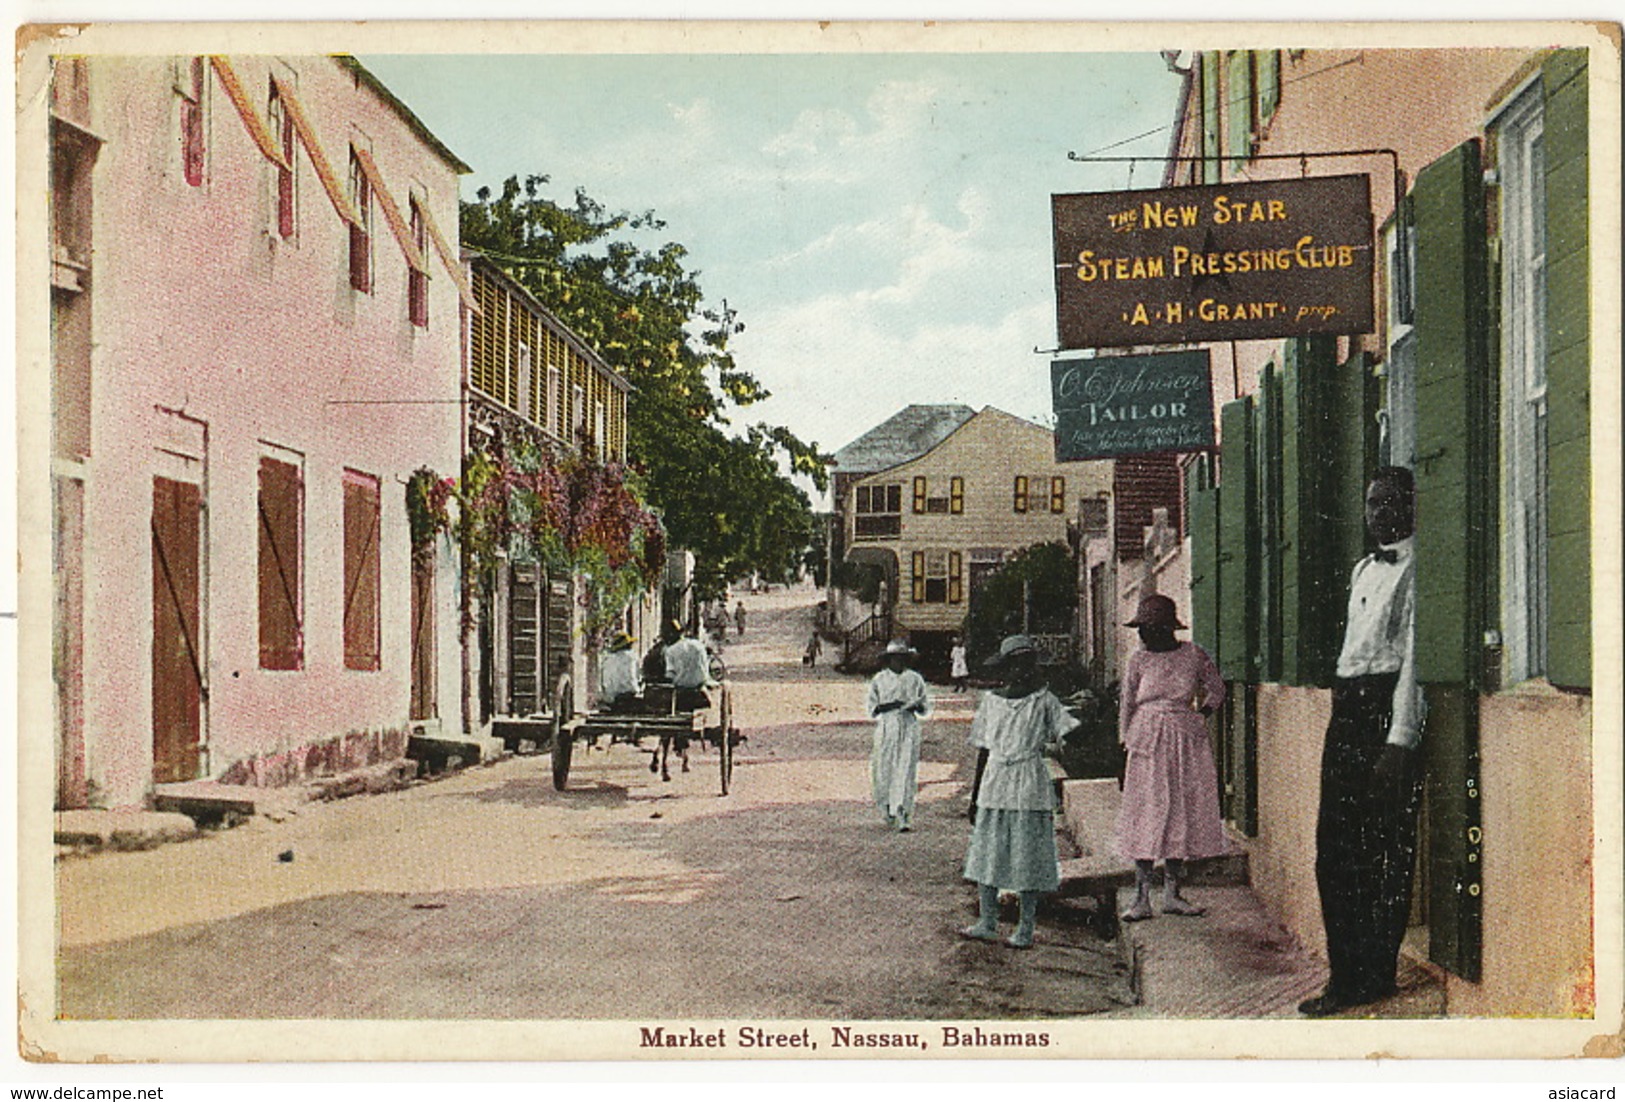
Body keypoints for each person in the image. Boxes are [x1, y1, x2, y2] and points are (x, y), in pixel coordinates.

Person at [1300, 466, 1423, 1018]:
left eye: (1389, 502)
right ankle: (1345, 975)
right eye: (1371, 503)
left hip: (1382, 711)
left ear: (1410, 505)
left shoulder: (1417, 568)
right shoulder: (1362, 568)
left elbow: (1413, 662)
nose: (1377, 512)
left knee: (1383, 851)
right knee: (1335, 850)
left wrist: (1399, 740)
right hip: (1346, 709)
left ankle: (1372, 975)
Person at [1113, 594, 1228, 922]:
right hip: (1147, 737)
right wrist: (1124, 744)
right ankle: (1141, 897)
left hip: (1184, 738)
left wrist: (1199, 714)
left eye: (1148, 628)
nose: (1143, 635)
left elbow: (1217, 690)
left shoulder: (1193, 655)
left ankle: (1173, 893)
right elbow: (1127, 705)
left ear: (1166, 628)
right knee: (1147, 810)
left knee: (1179, 809)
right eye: (1141, 629)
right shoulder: (1139, 660)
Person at [961, 635, 1079, 949]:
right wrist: (975, 796)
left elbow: (1068, 735)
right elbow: (984, 750)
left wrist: (1083, 724)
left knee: (1028, 853)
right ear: (1006, 667)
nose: (1021, 671)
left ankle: (1025, 927)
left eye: (1027, 665)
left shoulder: (1045, 701)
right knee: (989, 850)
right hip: (996, 779)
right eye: (1015, 665)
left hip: (1029, 779)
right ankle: (987, 921)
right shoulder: (991, 702)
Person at [866, 639, 931, 832]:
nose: (898, 662)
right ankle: (887, 807)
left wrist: (915, 705)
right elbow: (873, 708)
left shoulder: (914, 679)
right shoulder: (880, 679)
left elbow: (924, 706)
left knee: (905, 768)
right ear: (889, 660)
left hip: (908, 725)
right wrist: (891, 704)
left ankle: (902, 811)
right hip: (887, 726)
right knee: (884, 767)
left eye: (902, 658)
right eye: (895, 658)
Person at [598, 631, 642, 712]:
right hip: (629, 695)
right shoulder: (632, 657)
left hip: (611, 698)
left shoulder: (607, 659)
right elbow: (637, 677)